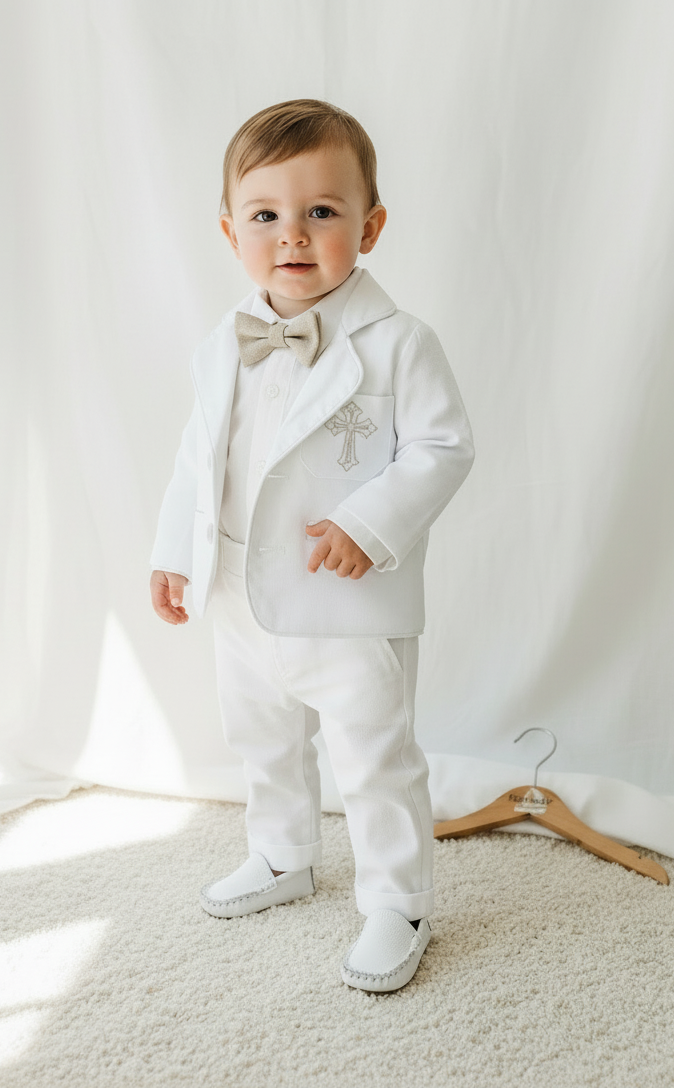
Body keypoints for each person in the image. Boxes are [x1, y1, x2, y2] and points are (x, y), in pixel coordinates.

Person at [150, 99, 473, 992]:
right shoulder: (224, 344)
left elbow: (444, 448)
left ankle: (397, 900)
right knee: (261, 735)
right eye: (265, 214)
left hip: (345, 602)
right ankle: (282, 852)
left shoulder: (399, 343)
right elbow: (196, 456)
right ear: (230, 232)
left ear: (369, 228)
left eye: (321, 211)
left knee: (373, 752)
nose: (291, 234)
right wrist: (174, 550)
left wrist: (370, 521)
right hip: (237, 590)